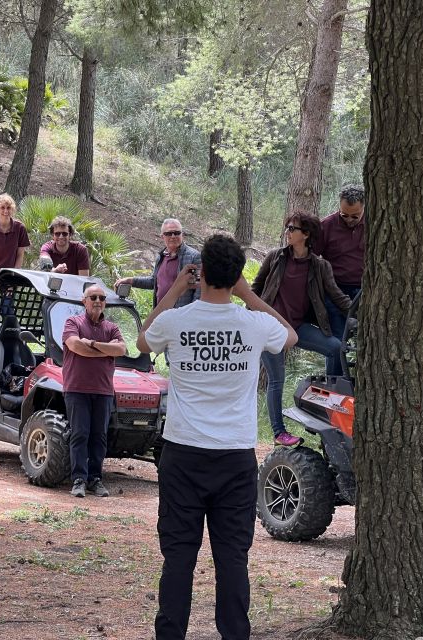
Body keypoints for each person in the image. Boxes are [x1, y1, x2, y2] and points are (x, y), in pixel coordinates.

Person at [136, 234, 297, 640]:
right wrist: (248, 295)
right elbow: (290, 337)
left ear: (201, 271)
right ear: (237, 275)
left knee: (178, 559)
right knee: (231, 560)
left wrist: (173, 289)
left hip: (182, 455)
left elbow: (142, 341)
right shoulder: (254, 324)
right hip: (234, 458)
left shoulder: (176, 321)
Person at [252, 212, 351, 446]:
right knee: (277, 380)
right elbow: (255, 288)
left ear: (306, 235)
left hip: (296, 328)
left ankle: (328, 404)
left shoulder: (319, 266)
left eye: (292, 228)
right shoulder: (275, 257)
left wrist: (361, 313)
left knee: (336, 348)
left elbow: (337, 296)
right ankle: (279, 433)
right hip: (270, 327)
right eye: (287, 227)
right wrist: (250, 317)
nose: (287, 232)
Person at [62, 284, 127, 498]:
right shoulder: (73, 322)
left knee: (99, 436)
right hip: (77, 388)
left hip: (104, 390)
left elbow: (121, 349)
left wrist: (91, 344)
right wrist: (105, 349)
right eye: (93, 297)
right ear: (84, 301)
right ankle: (79, 479)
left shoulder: (112, 327)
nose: (98, 301)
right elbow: (75, 346)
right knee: (80, 434)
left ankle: (95, 479)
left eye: (101, 297)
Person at [314, 184, 365, 340]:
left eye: (355, 216)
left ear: (364, 208)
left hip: (365, 291)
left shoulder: (376, 224)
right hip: (334, 291)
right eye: (344, 215)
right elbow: (312, 257)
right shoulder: (327, 226)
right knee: (336, 340)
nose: (349, 220)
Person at [115, 218, 201, 308]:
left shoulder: (193, 257)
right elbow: (154, 282)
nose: (173, 236)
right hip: (160, 313)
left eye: (176, 233)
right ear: (162, 236)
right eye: (168, 233)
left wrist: (190, 314)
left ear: (182, 234)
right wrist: (131, 280)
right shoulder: (161, 257)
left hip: (180, 315)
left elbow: (198, 289)